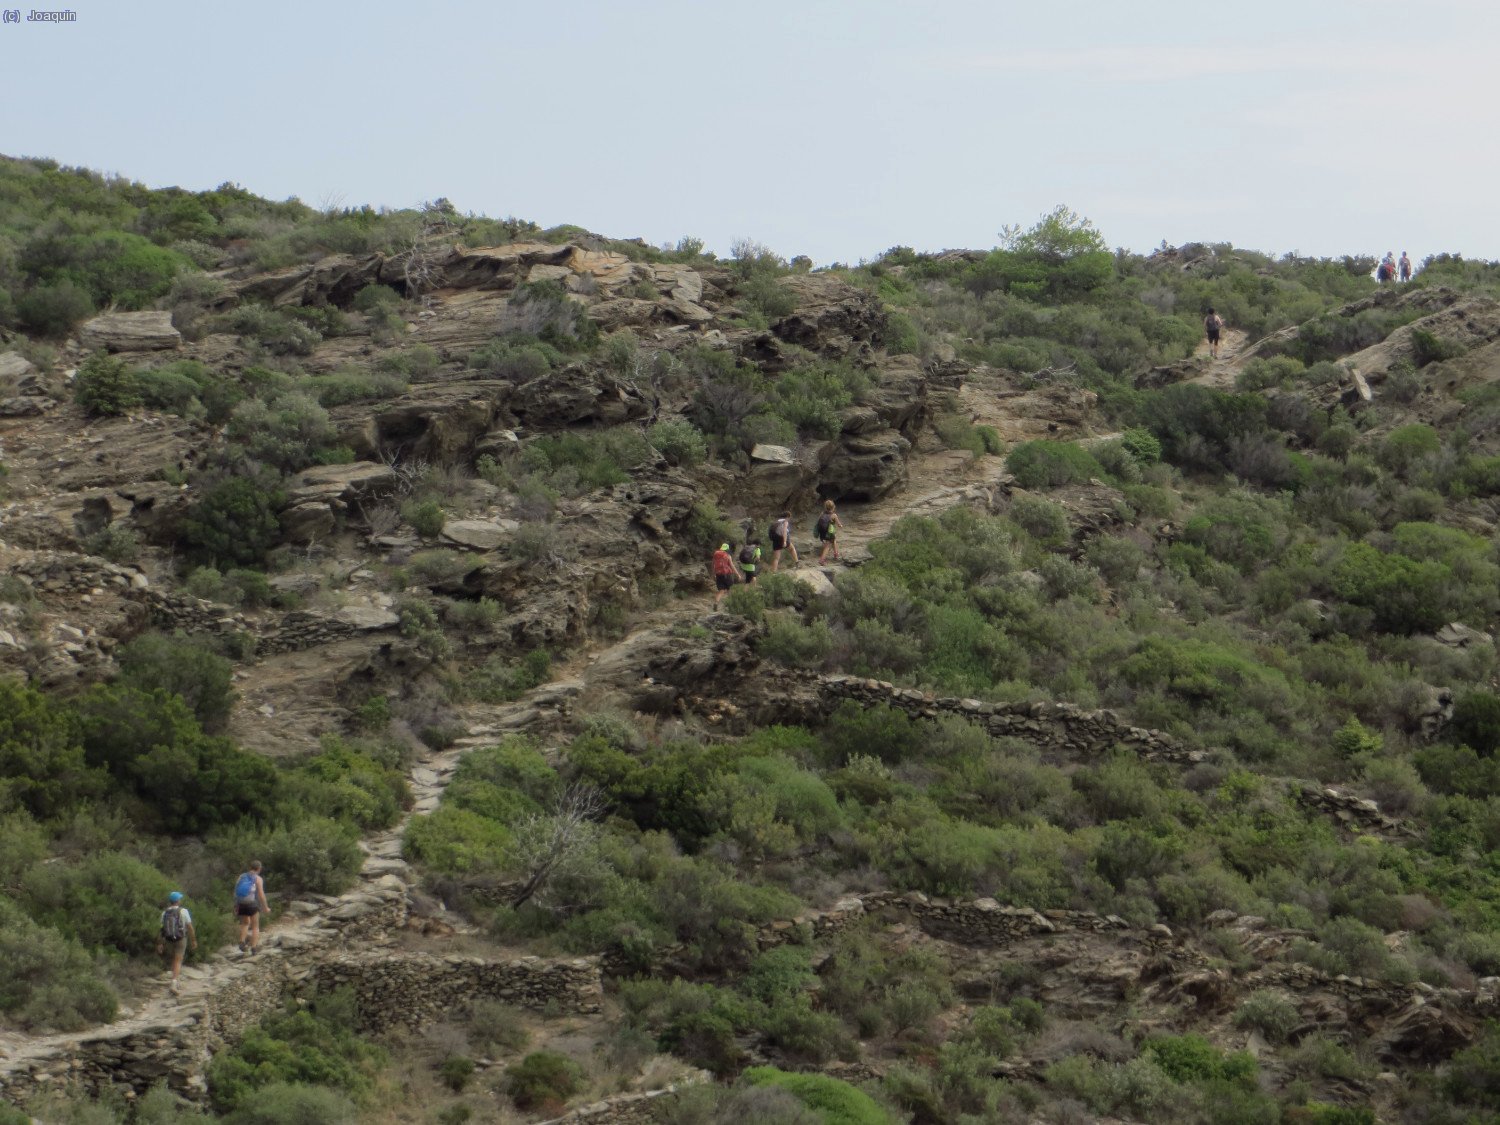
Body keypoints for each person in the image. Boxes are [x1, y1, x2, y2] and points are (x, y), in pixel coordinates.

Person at [156, 891, 197, 996]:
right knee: (178, 960)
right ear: (177, 901)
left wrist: (160, 943)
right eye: (180, 899)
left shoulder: (164, 913)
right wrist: (193, 940)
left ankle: (174, 980)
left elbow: (161, 929)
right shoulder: (183, 911)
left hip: (168, 939)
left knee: (173, 960)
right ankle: (174, 983)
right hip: (181, 938)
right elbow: (190, 927)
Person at [233, 861, 269, 955]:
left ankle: (241, 942)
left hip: (241, 903)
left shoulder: (242, 876)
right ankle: (254, 948)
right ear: (259, 869)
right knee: (255, 927)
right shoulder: (258, 878)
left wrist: (236, 905)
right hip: (252, 904)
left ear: (250, 867)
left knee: (245, 923)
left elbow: (236, 890)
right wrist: (265, 907)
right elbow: (261, 895)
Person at [711, 542, 740, 607]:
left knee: (721, 590)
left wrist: (713, 574)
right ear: (727, 549)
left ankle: (716, 603)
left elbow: (713, 564)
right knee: (731, 589)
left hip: (718, 575)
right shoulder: (728, 556)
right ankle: (731, 604)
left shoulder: (715, 554)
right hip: (727, 575)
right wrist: (737, 574)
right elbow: (732, 566)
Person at [815, 499, 844, 564]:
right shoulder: (834, 515)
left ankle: (836, 554)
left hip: (822, 532)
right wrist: (841, 526)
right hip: (829, 533)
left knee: (833, 540)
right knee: (827, 546)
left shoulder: (822, 513)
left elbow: (818, 522)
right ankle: (822, 560)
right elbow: (839, 524)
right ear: (833, 507)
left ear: (825, 507)